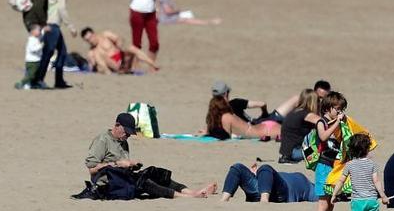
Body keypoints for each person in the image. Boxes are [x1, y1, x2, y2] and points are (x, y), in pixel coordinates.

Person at [86, 113, 216, 199]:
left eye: (130, 133)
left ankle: (191, 191)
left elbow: (123, 165)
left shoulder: (123, 141)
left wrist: (131, 166)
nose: (128, 135)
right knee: (144, 182)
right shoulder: (102, 140)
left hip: (123, 177)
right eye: (126, 132)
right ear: (117, 125)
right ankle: (188, 197)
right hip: (109, 183)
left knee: (156, 173)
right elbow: (92, 169)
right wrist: (117, 164)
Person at [331, 133, 390, 211]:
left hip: (357, 200)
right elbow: (376, 181)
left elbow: (341, 180)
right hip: (371, 199)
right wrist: (383, 195)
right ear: (367, 149)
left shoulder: (350, 165)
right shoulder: (372, 164)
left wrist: (334, 194)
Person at [315, 91, 348, 211]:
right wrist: (336, 123)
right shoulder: (321, 122)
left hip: (335, 167)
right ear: (328, 108)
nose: (340, 112)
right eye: (337, 109)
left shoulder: (339, 124)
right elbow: (323, 136)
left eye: (342, 109)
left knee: (332, 203)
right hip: (323, 166)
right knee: (323, 204)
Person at [38, 0, 76, 89]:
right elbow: (62, 9)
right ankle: (39, 79)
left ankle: (59, 80)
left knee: (62, 52)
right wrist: (70, 26)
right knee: (48, 53)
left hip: (48, 24)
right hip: (53, 25)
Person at [202, 81, 282, 140]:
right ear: (226, 94)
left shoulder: (223, 116)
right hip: (264, 128)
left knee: (291, 133)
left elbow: (225, 136)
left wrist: (208, 133)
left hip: (266, 130)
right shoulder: (225, 115)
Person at [21, 0, 53, 86]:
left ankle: (34, 80)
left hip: (28, 16)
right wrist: (43, 24)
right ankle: (28, 81)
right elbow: (39, 4)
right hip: (34, 19)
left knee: (36, 50)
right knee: (34, 50)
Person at [220, 162, 317, 203]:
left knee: (265, 168)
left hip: (279, 194)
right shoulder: (304, 181)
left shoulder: (305, 182)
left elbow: (319, 196)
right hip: (263, 190)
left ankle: (264, 201)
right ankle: (224, 200)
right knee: (237, 167)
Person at [124, 0, 158, 67]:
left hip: (150, 13)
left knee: (154, 42)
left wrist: (156, 8)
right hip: (137, 12)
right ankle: (134, 65)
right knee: (136, 43)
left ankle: (152, 65)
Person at [80, 27, 159, 74]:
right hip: (114, 65)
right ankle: (110, 74)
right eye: (87, 40)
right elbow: (93, 66)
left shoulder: (105, 35)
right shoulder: (92, 51)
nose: (90, 41)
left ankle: (153, 65)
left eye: (90, 38)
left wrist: (119, 44)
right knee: (97, 54)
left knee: (131, 48)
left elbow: (119, 39)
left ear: (94, 34)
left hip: (122, 58)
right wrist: (92, 62)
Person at [279, 89, 322, 163]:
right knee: (326, 151)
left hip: (286, 152)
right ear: (313, 102)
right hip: (295, 153)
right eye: (318, 100)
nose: (319, 103)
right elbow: (325, 123)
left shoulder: (295, 112)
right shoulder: (306, 115)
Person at [16, 23, 43, 89]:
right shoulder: (31, 40)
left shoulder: (37, 39)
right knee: (31, 74)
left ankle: (34, 84)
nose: (40, 32)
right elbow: (33, 49)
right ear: (33, 31)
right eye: (38, 30)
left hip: (37, 60)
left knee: (37, 74)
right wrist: (41, 45)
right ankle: (21, 83)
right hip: (31, 62)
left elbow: (43, 33)